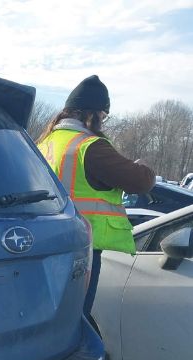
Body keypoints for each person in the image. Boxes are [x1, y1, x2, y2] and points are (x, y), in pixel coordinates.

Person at [36, 75, 155, 318]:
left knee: (49, 318)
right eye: (103, 115)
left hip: (44, 244)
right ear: (92, 114)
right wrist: (143, 167)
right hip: (81, 248)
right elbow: (140, 182)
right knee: (75, 320)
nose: (103, 121)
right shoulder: (89, 146)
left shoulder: (45, 143)